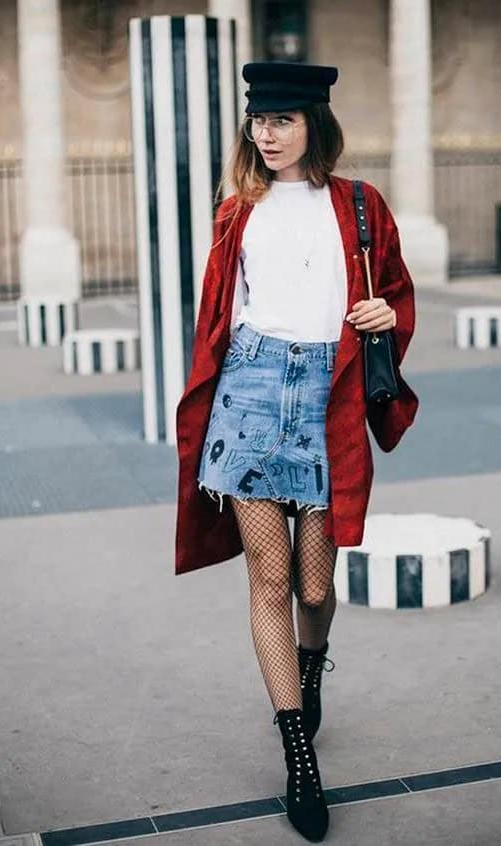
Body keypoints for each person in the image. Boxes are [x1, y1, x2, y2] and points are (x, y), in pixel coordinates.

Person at [174, 61, 419, 842]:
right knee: (270, 580)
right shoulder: (234, 211)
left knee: (316, 589)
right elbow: (219, 315)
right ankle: (297, 754)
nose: (265, 134)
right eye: (258, 120)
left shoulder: (357, 204)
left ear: (315, 122)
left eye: (282, 120)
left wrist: (386, 312)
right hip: (248, 396)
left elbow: (395, 296)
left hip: (326, 396)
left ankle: (312, 668)